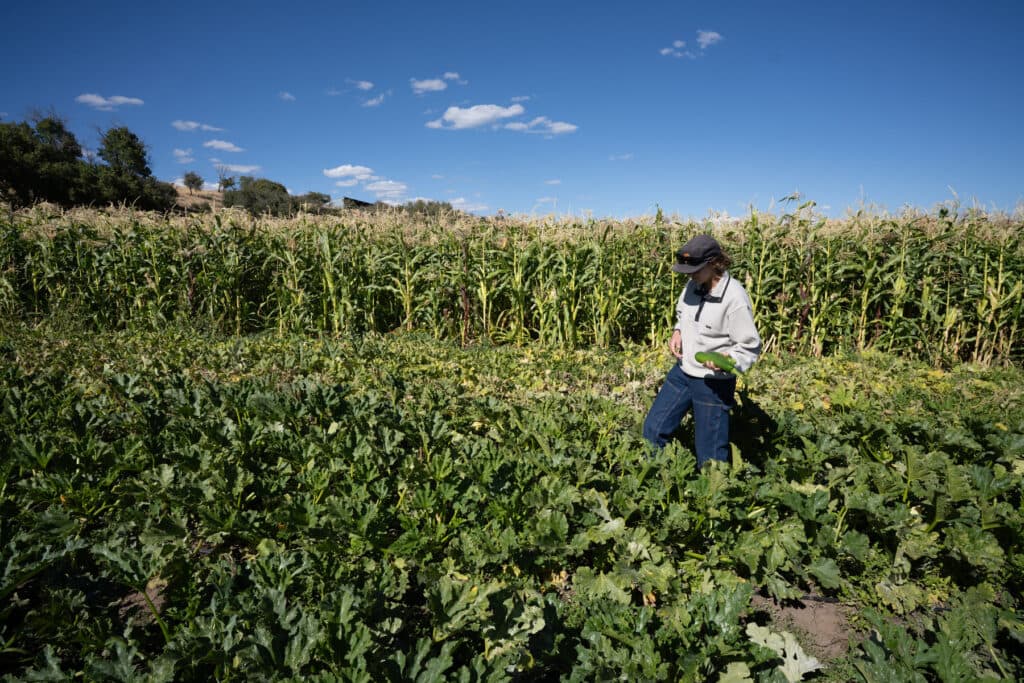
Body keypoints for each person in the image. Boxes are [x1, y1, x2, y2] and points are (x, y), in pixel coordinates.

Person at [642, 234, 761, 467]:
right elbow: (683, 312)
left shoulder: (734, 298)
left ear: (714, 263)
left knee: (710, 454)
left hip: (712, 382)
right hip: (683, 372)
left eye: (695, 268)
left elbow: (749, 345)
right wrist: (677, 331)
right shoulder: (693, 284)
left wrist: (729, 359)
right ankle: (654, 482)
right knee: (653, 429)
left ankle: (712, 498)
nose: (689, 274)